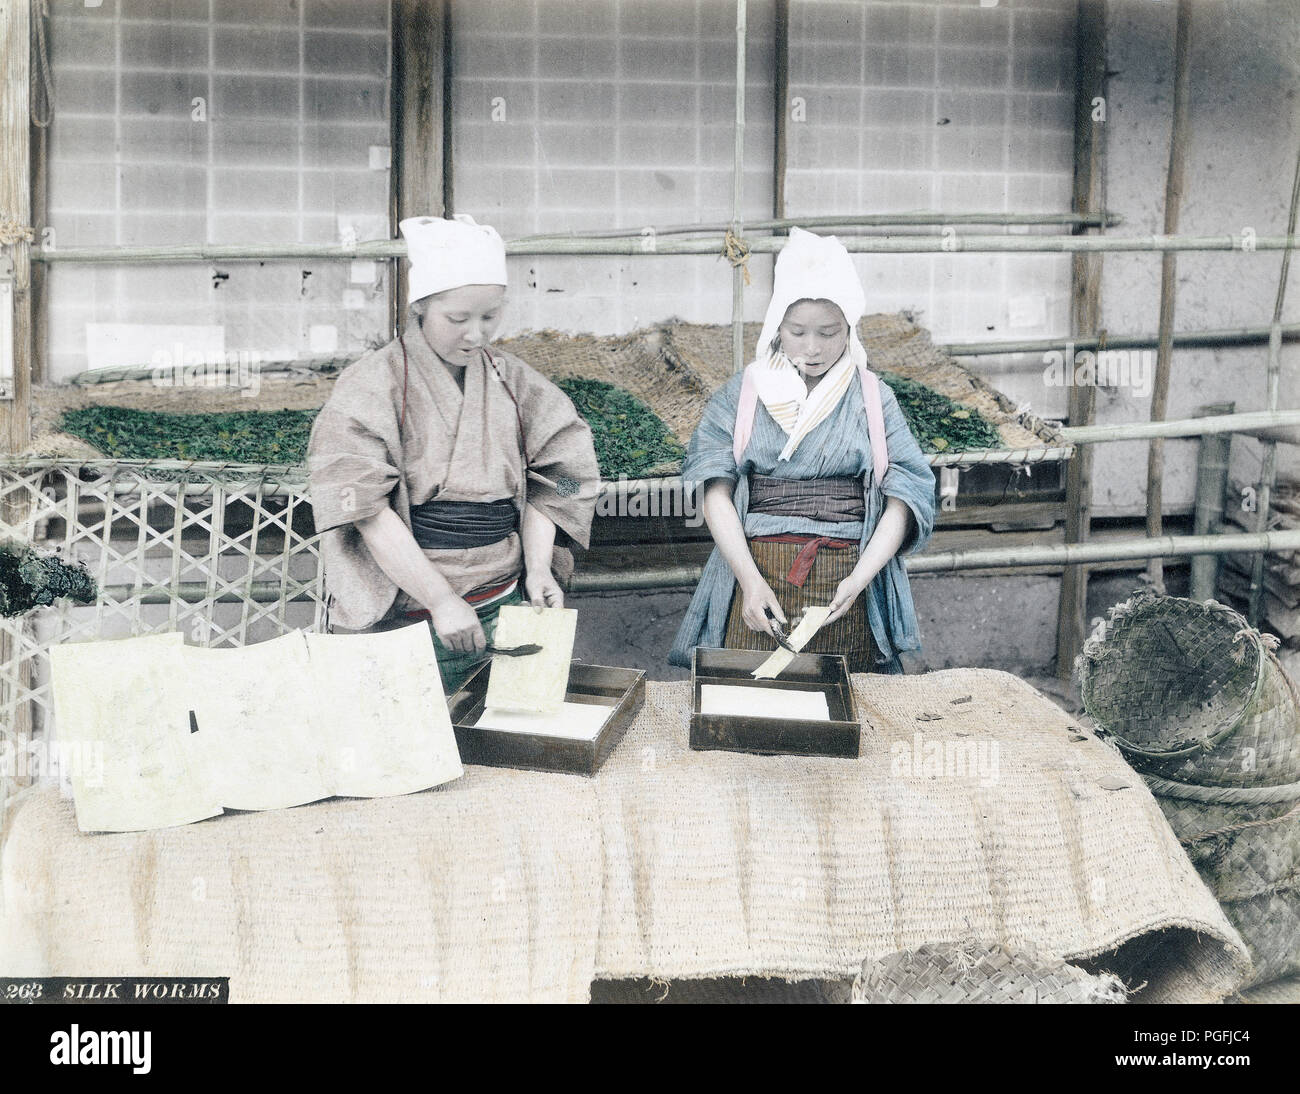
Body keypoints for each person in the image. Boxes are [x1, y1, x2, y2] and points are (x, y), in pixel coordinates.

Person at [308, 214, 599, 693]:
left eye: (490, 316)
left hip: (506, 597)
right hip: (409, 605)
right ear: (421, 307)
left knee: (510, 735)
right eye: (458, 319)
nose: (476, 335)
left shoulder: (516, 383)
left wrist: (541, 565)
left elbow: (564, 480)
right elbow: (363, 507)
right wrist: (441, 599)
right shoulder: (373, 385)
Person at [668, 227, 935, 673]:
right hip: (755, 574)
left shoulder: (872, 397)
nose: (812, 349)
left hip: (846, 582)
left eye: (828, 333)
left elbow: (906, 495)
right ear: (777, 327)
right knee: (751, 707)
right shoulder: (744, 394)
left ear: (849, 328)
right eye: (797, 332)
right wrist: (749, 582)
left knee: (843, 707)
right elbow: (714, 488)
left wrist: (859, 580)